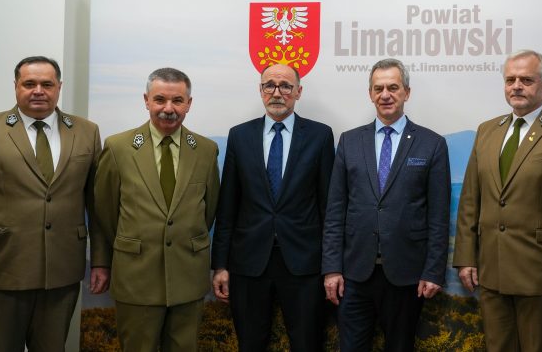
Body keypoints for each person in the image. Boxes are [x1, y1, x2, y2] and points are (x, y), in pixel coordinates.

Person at [453, 49, 542, 352]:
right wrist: (466, 257)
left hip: (541, 275)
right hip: (491, 272)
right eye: (510, 79)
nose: (517, 86)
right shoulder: (487, 130)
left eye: (526, 80)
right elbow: (470, 200)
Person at [322, 58, 450, 351]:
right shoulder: (350, 141)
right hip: (354, 274)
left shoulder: (431, 144)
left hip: (406, 275)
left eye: (393, 87)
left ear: (407, 91)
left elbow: (438, 216)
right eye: (378, 88)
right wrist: (331, 269)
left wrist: (433, 271)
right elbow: (335, 211)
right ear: (370, 94)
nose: (385, 94)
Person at [93, 67, 220, 351]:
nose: (168, 108)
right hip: (136, 277)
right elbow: (104, 213)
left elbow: (208, 211)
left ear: (189, 103)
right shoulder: (118, 147)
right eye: (160, 99)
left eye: (177, 101)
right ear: (146, 100)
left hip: (188, 277)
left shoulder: (206, 150)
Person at [211, 64, 334, 351]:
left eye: (285, 86)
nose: (277, 92)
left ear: (298, 92)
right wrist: (220, 265)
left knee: (308, 344)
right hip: (248, 264)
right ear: (261, 90)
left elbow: (328, 207)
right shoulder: (240, 136)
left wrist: (331, 266)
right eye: (269, 85)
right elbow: (227, 206)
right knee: (251, 344)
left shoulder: (320, 136)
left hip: (305, 265)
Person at [0, 56, 106, 352]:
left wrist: (101, 261)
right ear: (16, 86)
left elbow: (98, 204)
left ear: (59, 87)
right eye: (29, 84)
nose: (38, 90)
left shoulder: (86, 131)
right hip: (2, 265)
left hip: (62, 269)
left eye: (46, 84)